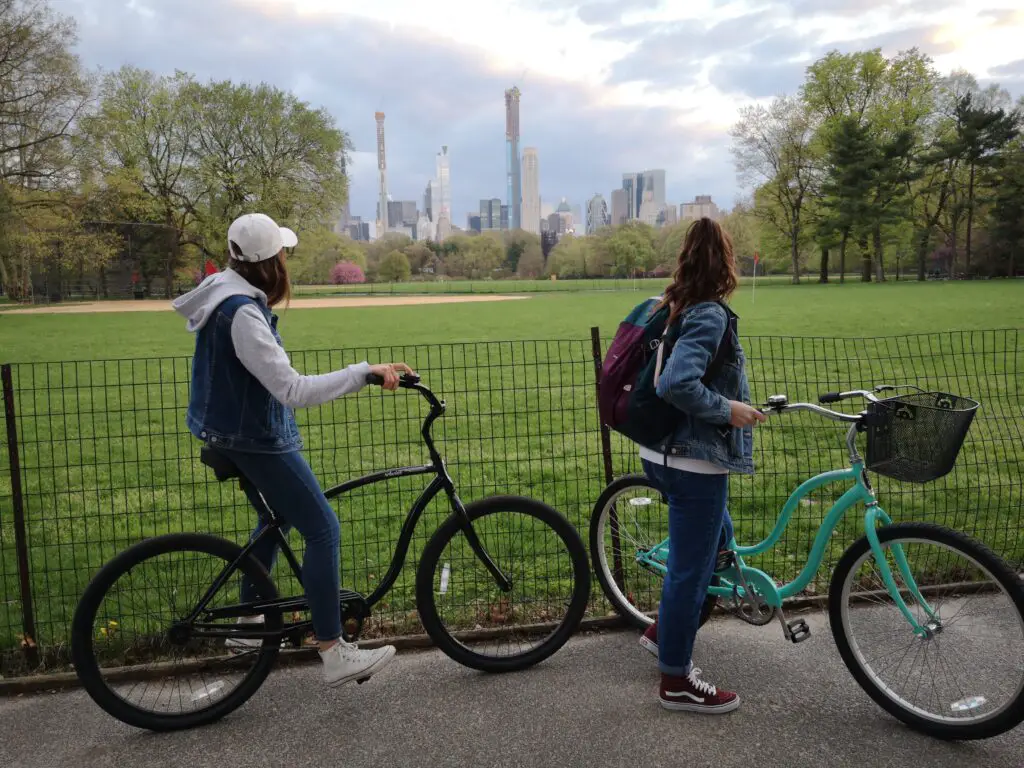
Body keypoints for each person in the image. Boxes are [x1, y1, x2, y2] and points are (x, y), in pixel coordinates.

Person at [172, 212, 413, 688]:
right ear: (269, 263)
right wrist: (362, 372)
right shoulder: (241, 312)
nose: (287, 260)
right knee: (323, 530)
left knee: (273, 520)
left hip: (227, 431)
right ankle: (331, 648)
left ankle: (247, 624)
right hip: (251, 439)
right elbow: (293, 389)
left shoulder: (225, 289)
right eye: (282, 253)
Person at [637, 217, 765, 714]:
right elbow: (675, 383)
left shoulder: (673, 305)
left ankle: (660, 632)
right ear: (727, 262)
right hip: (693, 461)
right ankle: (676, 681)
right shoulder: (710, 313)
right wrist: (728, 410)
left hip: (658, 452)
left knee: (718, 542)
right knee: (689, 572)